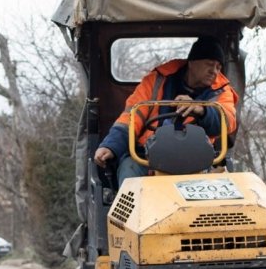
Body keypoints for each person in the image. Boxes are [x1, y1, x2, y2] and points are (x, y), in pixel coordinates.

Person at [93, 36, 239, 185]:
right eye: (209, 64)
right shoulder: (156, 80)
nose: (214, 71)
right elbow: (132, 117)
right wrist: (111, 145)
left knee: (215, 183)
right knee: (129, 168)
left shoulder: (222, 91)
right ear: (192, 63)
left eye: (218, 67)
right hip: (148, 156)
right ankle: (135, 208)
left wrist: (202, 110)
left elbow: (227, 121)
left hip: (197, 158)